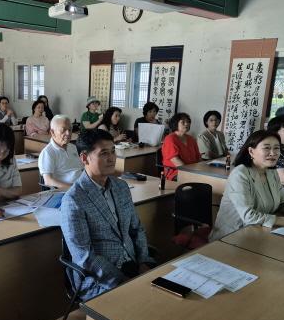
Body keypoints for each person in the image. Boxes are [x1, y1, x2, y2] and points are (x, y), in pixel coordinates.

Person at [60, 129, 155, 301]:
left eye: (113, 151)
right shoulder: (74, 200)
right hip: (96, 278)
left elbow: (136, 229)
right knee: (139, 302)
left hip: (133, 263)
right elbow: (84, 257)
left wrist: (144, 262)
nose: (112, 158)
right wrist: (122, 280)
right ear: (84, 158)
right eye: (104, 153)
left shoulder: (121, 188)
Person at [210, 130, 284, 241]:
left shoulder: (271, 172)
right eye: (267, 148)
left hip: (260, 232)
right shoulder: (240, 174)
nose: (273, 153)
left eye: (277, 148)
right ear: (251, 151)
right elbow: (249, 216)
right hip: (232, 236)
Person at [38, 115, 83, 190]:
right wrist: (73, 188)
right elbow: (48, 181)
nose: (68, 133)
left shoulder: (73, 147)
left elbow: (81, 168)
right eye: (63, 130)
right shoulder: (48, 152)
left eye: (70, 129)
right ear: (52, 132)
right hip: (66, 192)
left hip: (82, 187)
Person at [161, 112, 201, 181]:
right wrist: (192, 173)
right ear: (176, 124)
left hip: (192, 171)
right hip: (176, 173)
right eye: (183, 122)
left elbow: (198, 158)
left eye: (188, 122)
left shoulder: (191, 139)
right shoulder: (170, 139)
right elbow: (176, 161)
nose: (187, 124)